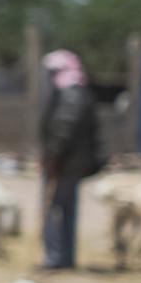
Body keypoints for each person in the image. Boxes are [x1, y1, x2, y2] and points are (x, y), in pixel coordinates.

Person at [39, 49, 103, 269]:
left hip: (65, 163)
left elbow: (65, 128)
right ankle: (64, 256)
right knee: (66, 208)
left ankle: (55, 257)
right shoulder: (77, 91)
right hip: (72, 163)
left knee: (53, 208)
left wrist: (53, 157)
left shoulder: (71, 93)